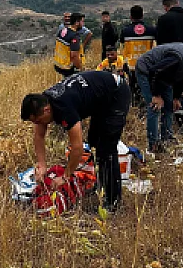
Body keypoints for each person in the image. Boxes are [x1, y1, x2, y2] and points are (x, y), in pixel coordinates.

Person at [20, 70, 133, 211]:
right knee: (93, 142)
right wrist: (42, 165)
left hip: (116, 93)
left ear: (46, 110)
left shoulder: (64, 107)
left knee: (106, 149)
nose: (38, 124)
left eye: (38, 120)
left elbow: (77, 147)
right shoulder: (43, 102)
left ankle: (112, 202)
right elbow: (39, 136)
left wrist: (65, 176)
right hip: (100, 96)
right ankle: (101, 185)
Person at [119, 5, 157, 101]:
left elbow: (122, 46)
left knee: (133, 88)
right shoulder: (151, 30)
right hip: (148, 65)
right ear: (142, 15)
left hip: (132, 65)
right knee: (148, 88)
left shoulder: (125, 31)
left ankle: (135, 104)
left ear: (131, 17)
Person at [53, 12, 86, 78]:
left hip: (59, 64)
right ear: (77, 22)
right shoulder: (74, 36)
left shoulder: (62, 31)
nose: (83, 24)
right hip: (68, 68)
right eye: (82, 21)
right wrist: (80, 68)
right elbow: (74, 56)